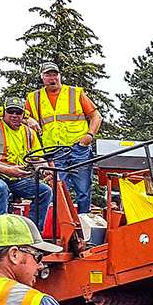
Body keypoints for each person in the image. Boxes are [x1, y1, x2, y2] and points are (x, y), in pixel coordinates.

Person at [25, 62, 102, 215]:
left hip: (78, 149)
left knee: (83, 191)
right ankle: (63, 228)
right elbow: (17, 116)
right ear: (42, 78)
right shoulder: (34, 98)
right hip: (54, 152)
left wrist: (89, 136)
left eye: (55, 74)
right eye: (48, 75)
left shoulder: (75, 93)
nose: (52, 78)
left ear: (59, 76)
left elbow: (96, 117)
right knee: (59, 192)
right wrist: (28, 120)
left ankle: (83, 225)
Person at [0, 99, 53, 233]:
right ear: (3, 112)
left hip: (9, 176)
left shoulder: (28, 133)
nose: (14, 115)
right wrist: (8, 170)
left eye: (18, 112)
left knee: (44, 191)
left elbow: (37, 157)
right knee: (0, 188)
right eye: (10, 111)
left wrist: (44, 169)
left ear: (24, 115)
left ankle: (32, 235)